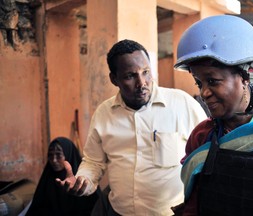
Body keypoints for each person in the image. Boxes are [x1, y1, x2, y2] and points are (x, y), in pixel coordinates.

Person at [55, 39, 207, 215]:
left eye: (145, 72)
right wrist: (84, 182)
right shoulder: (104, 113)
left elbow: (206, 156)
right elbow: (93, 162)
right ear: (114, 79)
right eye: (130, 76)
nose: (141, 83)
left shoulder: (182, 104)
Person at [173, 15, 253, 215]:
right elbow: (194, 204)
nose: (204, 93)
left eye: (213, 81)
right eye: (199, 83)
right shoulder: (202, 136)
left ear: (248, 75)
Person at [26, 137, 98, 216]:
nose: (54, 160)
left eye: (58, 155)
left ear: (68, 155)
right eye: (50, 155)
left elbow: (93, 209)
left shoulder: (82, 178)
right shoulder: (47, 179)